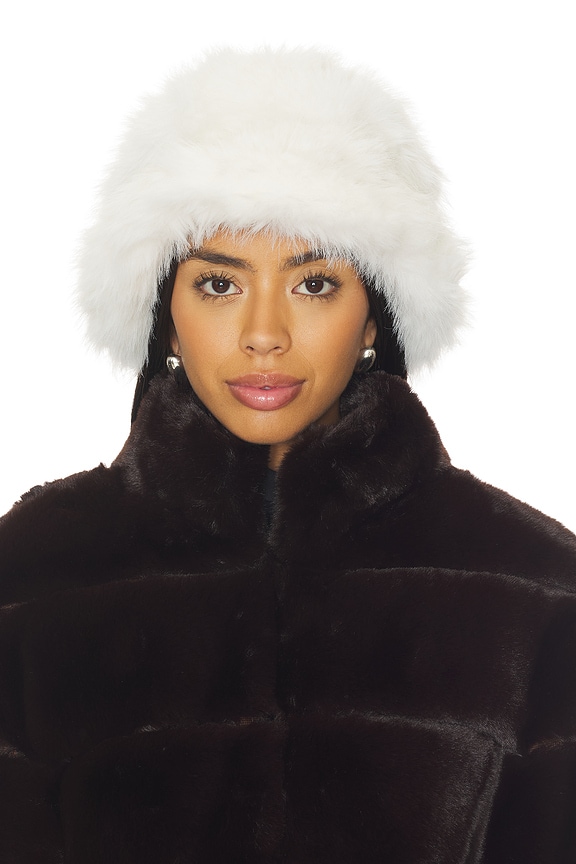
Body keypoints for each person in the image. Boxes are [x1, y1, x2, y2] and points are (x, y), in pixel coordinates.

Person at [1, 47, 575, 864]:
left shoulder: (535, 590)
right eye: (218, 284)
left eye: (313, 284)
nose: (263, 333)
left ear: (374, 316)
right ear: (165, 318)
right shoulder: (31, 578)